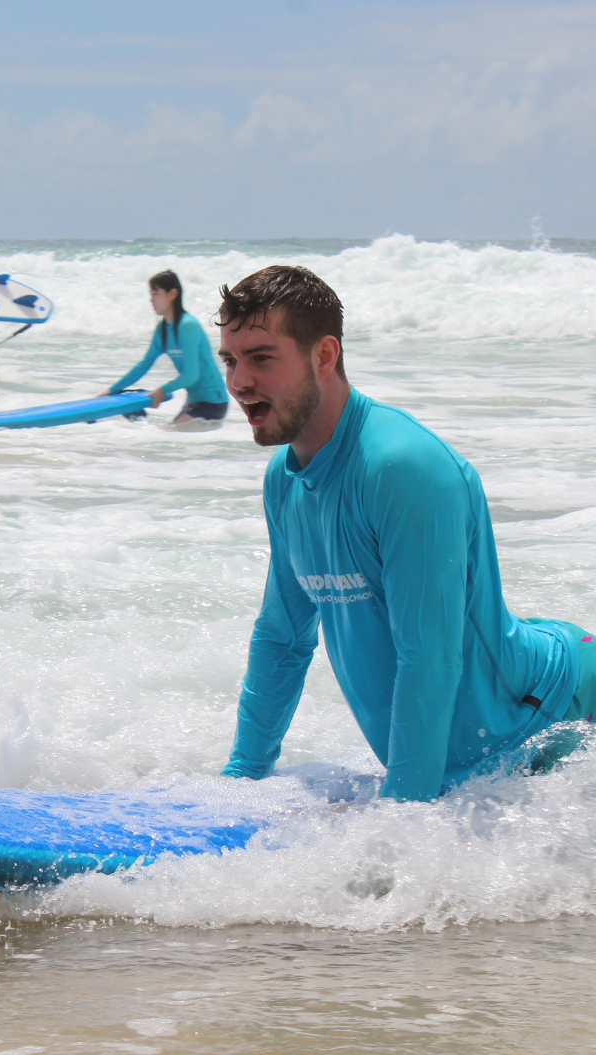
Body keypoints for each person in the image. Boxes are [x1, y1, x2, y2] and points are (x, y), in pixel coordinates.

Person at [218, 264, 595, 802]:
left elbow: (430, 657)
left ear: (323, 355)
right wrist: (241, 780)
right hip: (479, 747)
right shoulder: (285, 479)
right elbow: (283, 638)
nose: (238, 382)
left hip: (556, 712)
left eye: (261, 358)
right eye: (230, 360)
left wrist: (403, 822)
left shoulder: (401, 466)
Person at [99, 270, 229, 426]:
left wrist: (163, 389)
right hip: (193, 403)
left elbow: (191, 375)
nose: (151, 300)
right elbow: (144, 365)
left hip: (213, 403)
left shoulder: (188, 325)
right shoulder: (163, 329)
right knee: (157, 433)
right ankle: (137, 417)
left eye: (156, 294)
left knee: (166, 435)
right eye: (151, 294)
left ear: (172, 294)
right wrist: (112, 390)